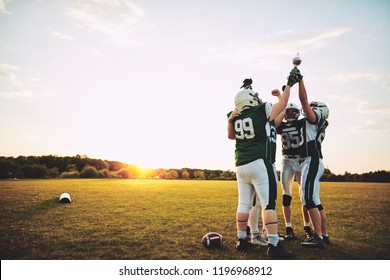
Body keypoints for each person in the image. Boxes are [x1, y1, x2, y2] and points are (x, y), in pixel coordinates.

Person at [227, 68, 302, 258]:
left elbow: (230, 136)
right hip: (260, 162)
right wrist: (289, 85)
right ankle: (274, 245)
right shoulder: (260, 111)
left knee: (244, 203)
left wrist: (230, 119)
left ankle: (241, 239)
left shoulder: (236, 116)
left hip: (241, 165)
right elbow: (283, 104)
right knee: (269, 204)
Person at [296, 75, 330, 249]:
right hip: (311, 161)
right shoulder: (316, 124)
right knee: (315, 200)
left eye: (314, 108)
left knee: (308, 198)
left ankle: (318, 237)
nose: (310, 108)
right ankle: (323, 235)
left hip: (311, 161)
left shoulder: (315, 118)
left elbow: (303, 101)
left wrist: (300, 81)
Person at [275, 96, 313, 240]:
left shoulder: (302, 124)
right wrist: (281, 98)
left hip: (301, 160)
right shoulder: (281, 126)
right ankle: (289, 228)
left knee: (305, 195)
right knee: (286, 196)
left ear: (297, 113)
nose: (290, 114)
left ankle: (307, 226)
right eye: (288, 112)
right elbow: (276, 117)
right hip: (286, 161)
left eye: (292, 112)